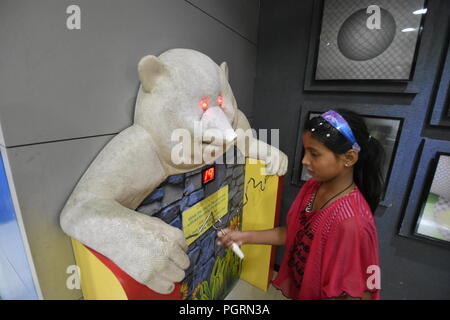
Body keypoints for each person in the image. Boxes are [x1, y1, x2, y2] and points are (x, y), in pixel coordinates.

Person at [217, 109, 385, 300]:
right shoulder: (313, 187)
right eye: (305, 151)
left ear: (349, 158)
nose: (305, 161)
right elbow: (295, 233)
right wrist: (244, 236)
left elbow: (356, 292)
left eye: (314, 154)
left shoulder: (352, 222)